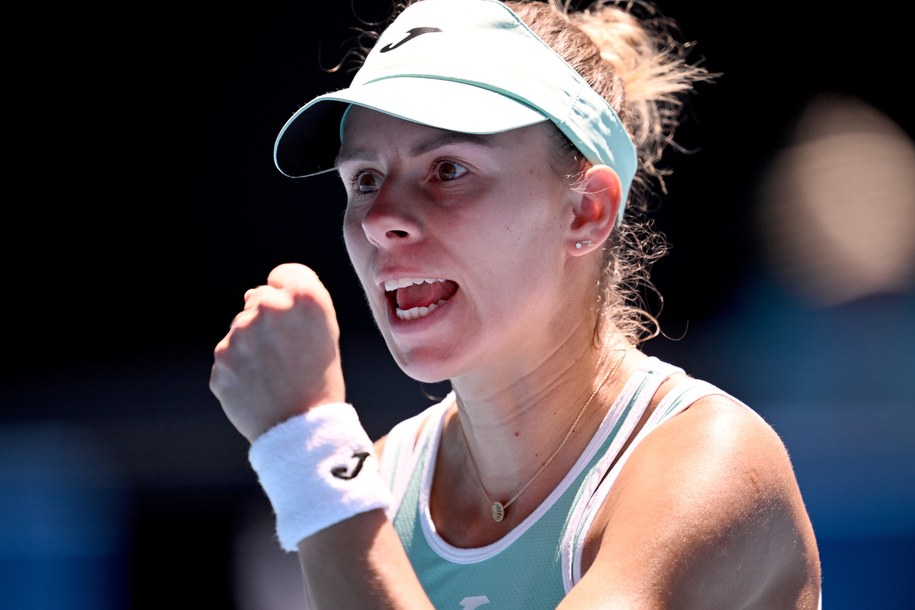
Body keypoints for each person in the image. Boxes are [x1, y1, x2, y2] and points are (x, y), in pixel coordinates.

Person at [209, 0, 823, 607]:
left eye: (447, 169)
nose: (380, 220)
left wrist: (307, 449)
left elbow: (322, 477)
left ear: (587, 210)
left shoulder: (710, 461)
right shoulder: (377, 481)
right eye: (365, 179)